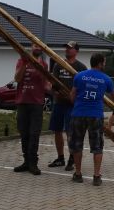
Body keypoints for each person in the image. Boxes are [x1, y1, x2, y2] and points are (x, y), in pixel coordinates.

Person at [69, 53, 114, 186]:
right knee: (97, 146)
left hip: (78, 113)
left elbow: (72, 95)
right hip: (96, 115)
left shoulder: (79, 76)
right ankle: (96, 176)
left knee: (77, 145)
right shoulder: (106, 79)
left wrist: (77, 105)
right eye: (104, 62)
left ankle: (78, 174)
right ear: (99, 63)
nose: (105, 64)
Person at [48, 41, 87, 171]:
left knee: (71, 132)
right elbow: (53, 84)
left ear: (76, 51)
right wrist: (55, 93)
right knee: (57, 130)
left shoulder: (81, 67)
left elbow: (84, 87)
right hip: (59, 103)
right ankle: (60, 158)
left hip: (73, 105)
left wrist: (75, 98)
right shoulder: (58, 65)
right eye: (67, 48)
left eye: (70, 48)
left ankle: (72, 158)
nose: (67, 50)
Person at [13, 44, 50, 175]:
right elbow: (17, 78)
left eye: (39, 46)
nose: (37, 48)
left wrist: (54, 89)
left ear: (42, 49)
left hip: (37, 103)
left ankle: (33, 163)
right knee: (24, 133)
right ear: (31, 47)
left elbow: (45, 84)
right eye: (35, 45)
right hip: (22, 102)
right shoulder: (21, 61)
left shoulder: (44, 65)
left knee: (34, 134)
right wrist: (25, 62)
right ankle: (26, 162)